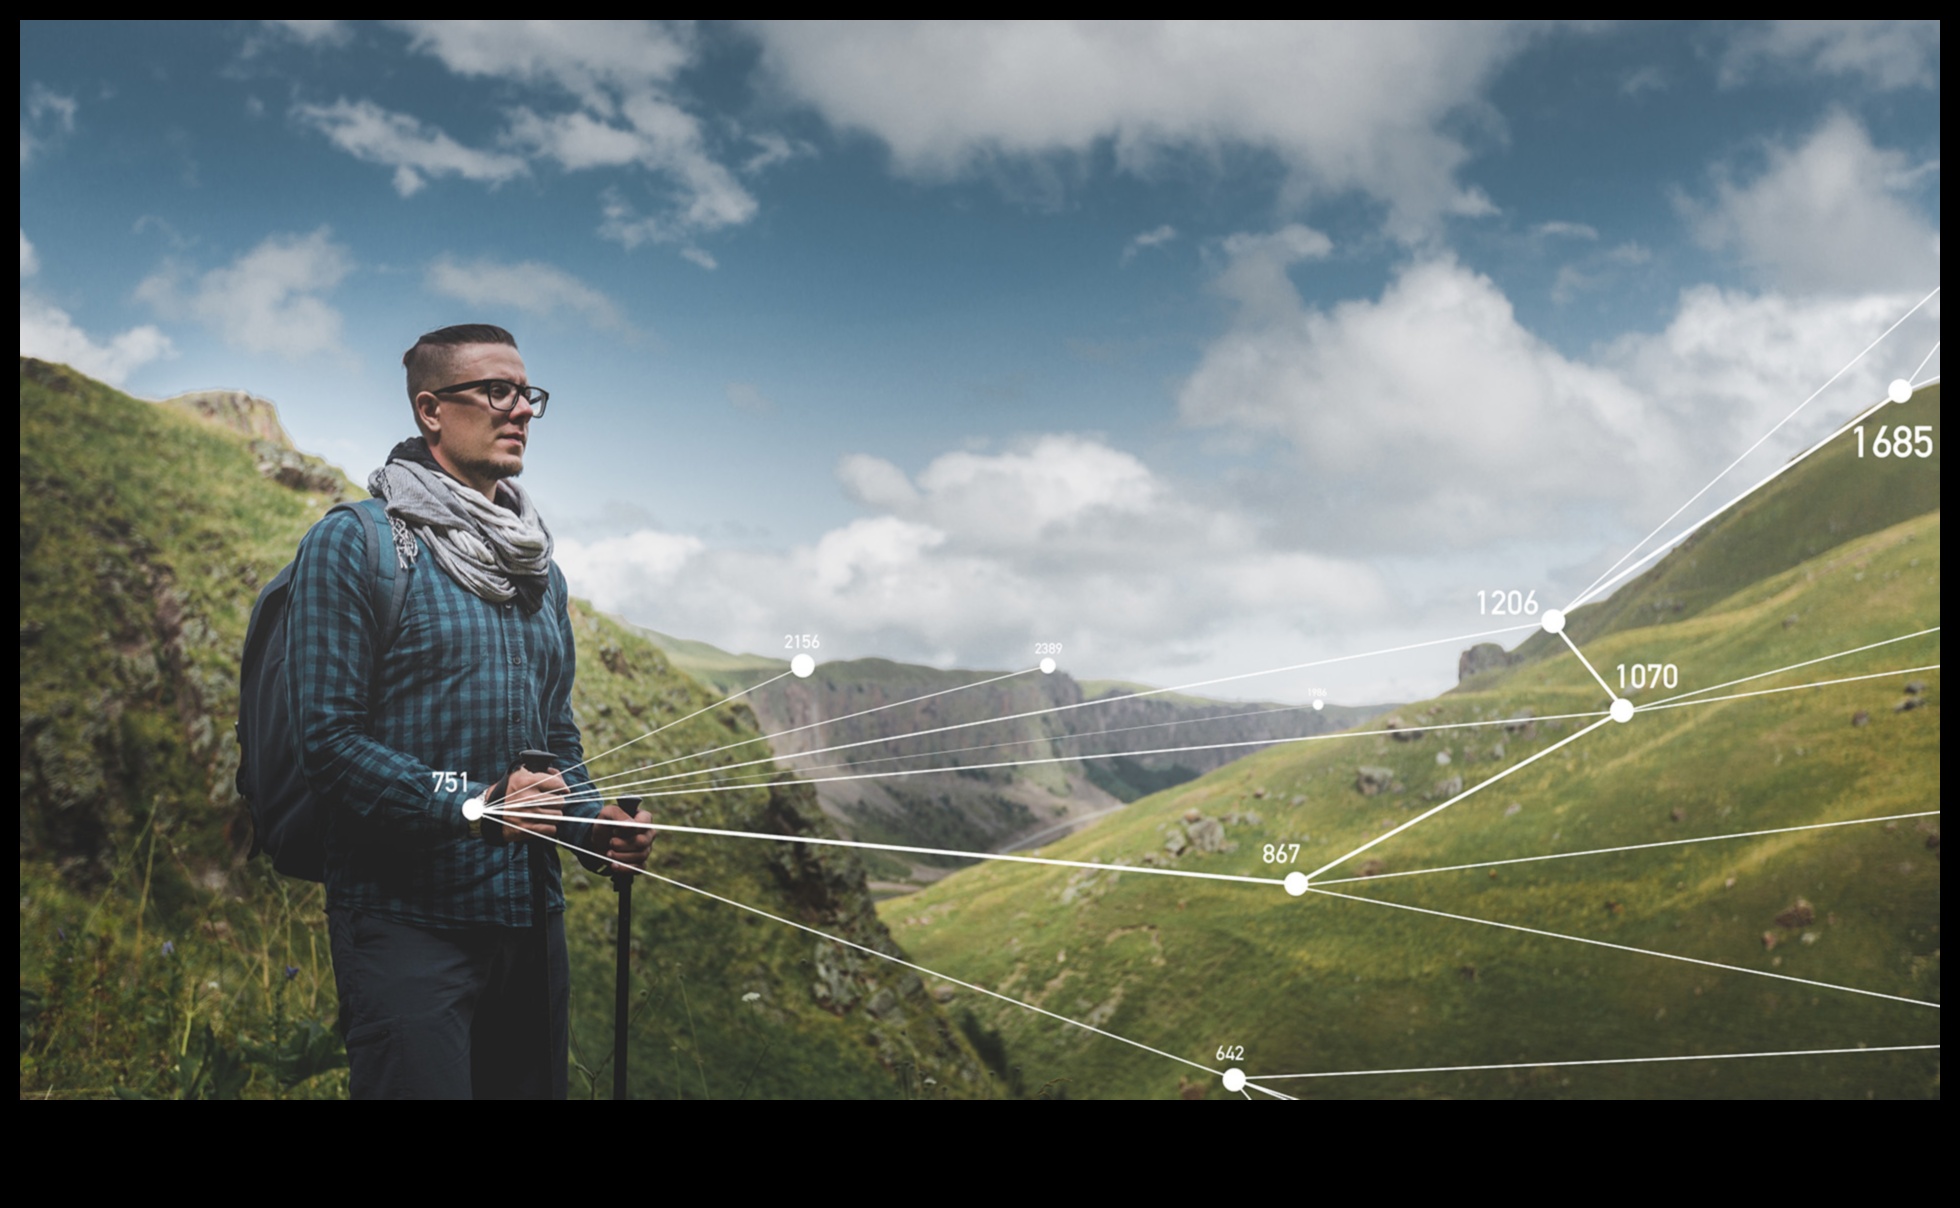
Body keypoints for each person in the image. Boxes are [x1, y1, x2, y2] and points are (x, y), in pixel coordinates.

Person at [288, 323, 653, 1098]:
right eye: (497, 391)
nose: (520, 409)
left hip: (530, 923)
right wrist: (473, 803)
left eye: (527, 394)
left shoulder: (538, 571)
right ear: (431, 409)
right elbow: (329, 739)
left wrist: (594, 826)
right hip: (406, 925)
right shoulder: (355, 546)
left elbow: (554, 739)